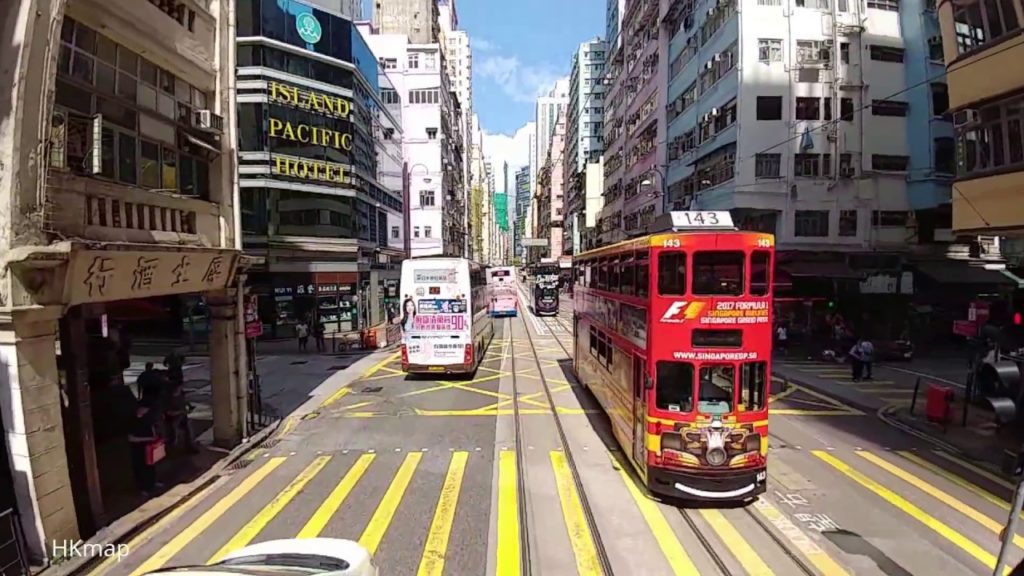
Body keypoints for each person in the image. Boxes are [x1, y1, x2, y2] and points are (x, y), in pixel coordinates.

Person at [128, 395, 163, 497]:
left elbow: (151, 427)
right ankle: (143, 488)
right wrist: (148, 439)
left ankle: (152, 483)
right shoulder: (132, 420)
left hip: (148, 446)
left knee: (151, 465)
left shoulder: (147, 417)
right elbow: (131, 438)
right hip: (138, 448)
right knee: (140, 468)